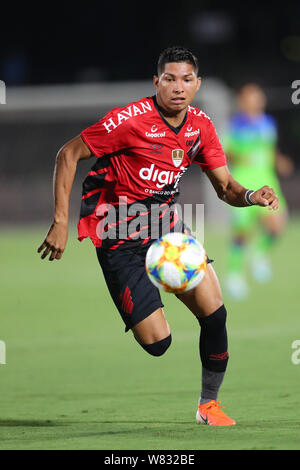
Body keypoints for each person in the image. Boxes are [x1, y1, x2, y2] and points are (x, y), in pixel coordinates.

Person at [37, 47, 279, 426]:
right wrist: (61, 221)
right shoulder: (128, 120)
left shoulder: (201, 127)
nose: (178, 87)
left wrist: (251, 196)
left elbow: (225, 187)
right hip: (118, 235)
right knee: (157, 344)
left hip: (167, 232)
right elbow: (67, 154)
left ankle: (208, 406)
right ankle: (148, 288)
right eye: (169, 79)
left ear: (197, 84)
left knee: (215, 314)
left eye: (186, 79)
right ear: (157, 82)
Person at [223, 84, 293, 300]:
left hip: (267, 181)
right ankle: (234, 275)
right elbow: (226, 153)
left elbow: (269, 151)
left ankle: (259, 254)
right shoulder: (235, 125)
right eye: (251, 98)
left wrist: (279, 161)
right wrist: (240, 157)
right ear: (242, 101)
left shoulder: (268, 123)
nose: (257, 101)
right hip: (244, 184)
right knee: (242, 232)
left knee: (278, 224)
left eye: (258, 97)